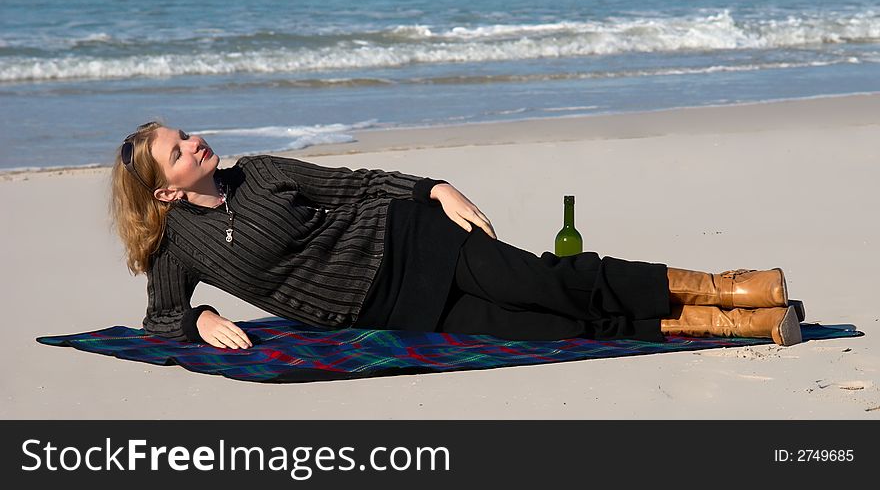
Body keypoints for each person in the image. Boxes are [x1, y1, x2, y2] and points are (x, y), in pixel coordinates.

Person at [109, 121, 804, 351]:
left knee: (547, 280)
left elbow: (355, 183)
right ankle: (725, 324)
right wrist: (197, 318)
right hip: (391, 309)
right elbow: (158, 315)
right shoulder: (176, 247)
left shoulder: (257, 172)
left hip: (412, 237)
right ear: (165, 192)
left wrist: (433, 188)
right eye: (178, 150)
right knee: (543, 328)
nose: (194, 141)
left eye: (185, 134)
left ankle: (727, 286)